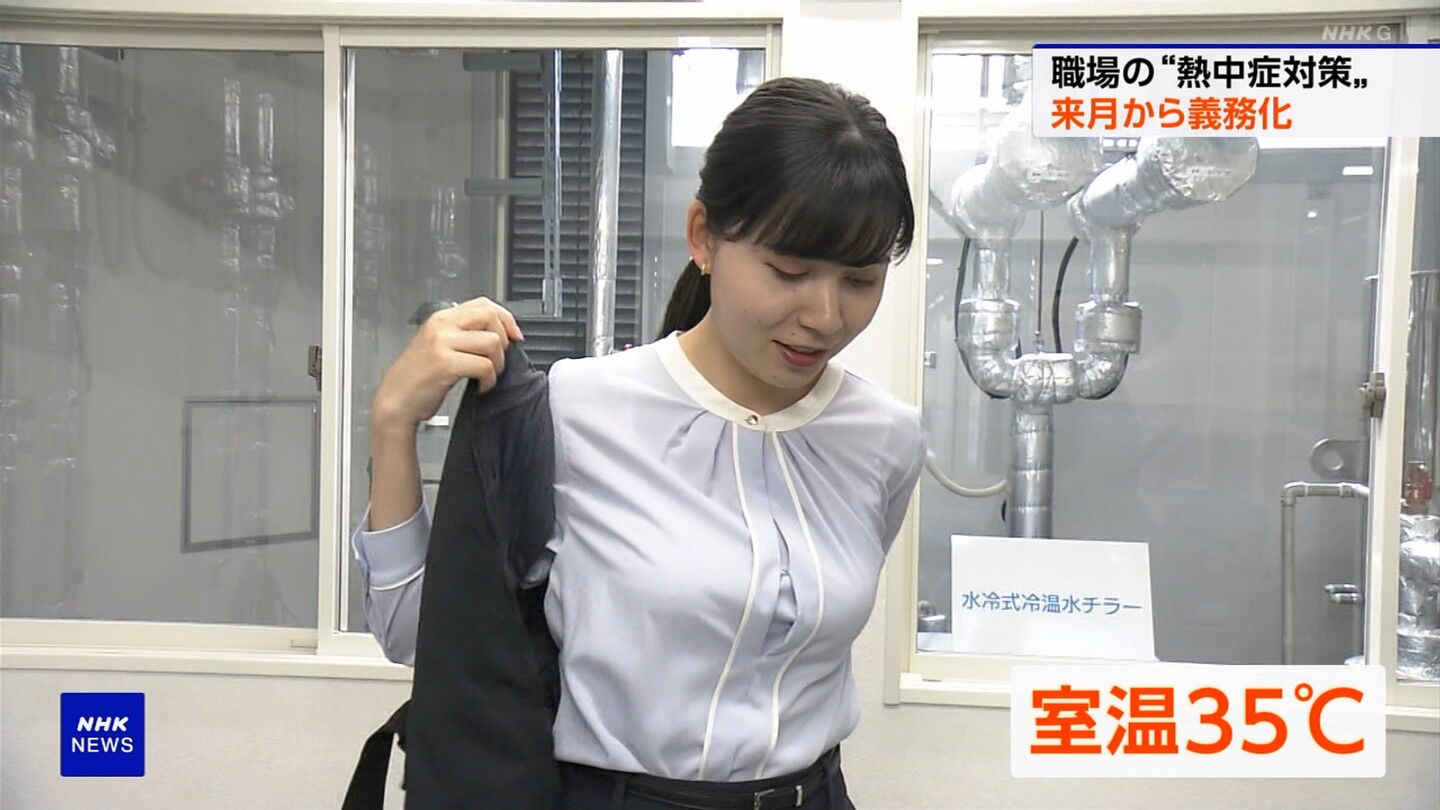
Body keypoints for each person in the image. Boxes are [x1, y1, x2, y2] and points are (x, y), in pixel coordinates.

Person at [353, 76, 924, 810]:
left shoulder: (885, 438)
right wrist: (393, 423)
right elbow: (418, 637)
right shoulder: (572, 412)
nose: (825, 315)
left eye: (861, 280)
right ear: (704, 236)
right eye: (789, 271)